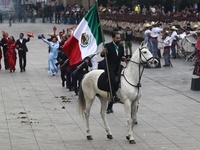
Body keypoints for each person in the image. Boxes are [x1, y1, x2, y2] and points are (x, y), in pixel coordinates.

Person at [101, 32, 125, 113]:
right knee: (112, 79)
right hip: (110, 67)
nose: (118, 39)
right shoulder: (107, 46)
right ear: (113, 38)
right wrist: (103, 52)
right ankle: (113, 96)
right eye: (117, 38)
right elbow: (102, 55)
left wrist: (125, 59)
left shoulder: (121, 46)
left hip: (118, 66)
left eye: (119, 38)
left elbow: (121, 56)